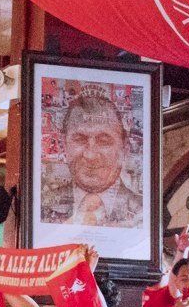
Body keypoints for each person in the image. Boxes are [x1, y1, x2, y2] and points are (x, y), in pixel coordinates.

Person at [39, 89, 144, 227]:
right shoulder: (40, 206)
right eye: (79, 139)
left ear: (125, 148)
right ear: (64, 145)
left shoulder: (144, 212)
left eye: (104, 141)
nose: (91, 155)